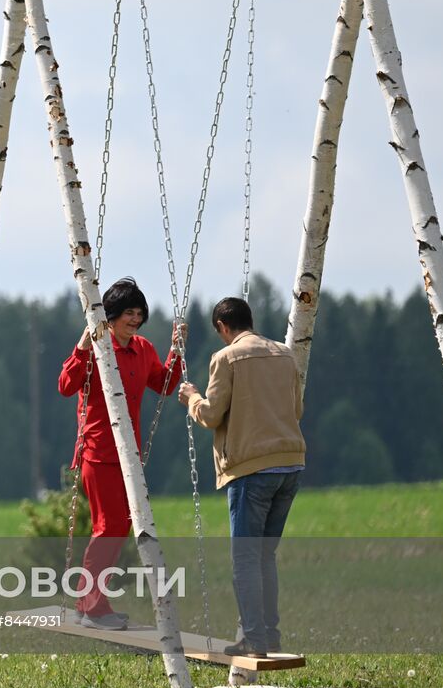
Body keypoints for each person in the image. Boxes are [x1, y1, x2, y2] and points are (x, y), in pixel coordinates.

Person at [178, 296, 306, 657]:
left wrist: (191, 397)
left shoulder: (226, 358)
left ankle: (254, 640)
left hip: (251, 469)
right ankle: (270, 635)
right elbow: (297, 408)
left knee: (246, 559)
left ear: (222, 327)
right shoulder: (285, 354)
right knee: (265, 556)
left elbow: (211, 415)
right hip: (291, 464)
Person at [58, 277, 185, 630]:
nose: (135, 318)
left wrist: (176, 351)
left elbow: (163, 384)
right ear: (110, 316)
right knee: (108, 526)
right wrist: (82, 346)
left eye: (139, 312)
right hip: (97, 452)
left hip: (129, 453)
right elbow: (66, 386)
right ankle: (91, 606)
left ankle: (92, 603)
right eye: (128, 312)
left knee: (121, 525)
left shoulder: (142, 348)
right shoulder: (99, 346)